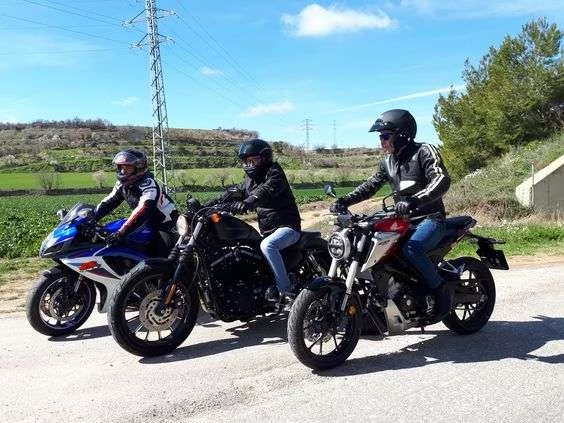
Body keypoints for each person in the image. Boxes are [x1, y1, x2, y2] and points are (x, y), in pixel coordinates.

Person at [329, 109, 452, 318]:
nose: (382, 142)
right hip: (402, 221)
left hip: (429, 218)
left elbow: (441, 179)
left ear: (402, 134)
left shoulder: (424, 151)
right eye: (380, 137)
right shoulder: (387, 161)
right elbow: (371, 185)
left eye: (386, 136)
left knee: (412, 248)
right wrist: (344, 200)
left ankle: (440, 290)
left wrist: (415, 200)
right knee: (376, 249)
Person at [228, 138, 302, 308]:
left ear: (264, 158)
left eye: (253, 160)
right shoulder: (249, 180)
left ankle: (286, 293)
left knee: (268, 246)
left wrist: (249, 201)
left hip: (288, 227)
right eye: (246, 161)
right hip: (268, 230)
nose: (249, 165)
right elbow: (232, 193)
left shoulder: (274, 173)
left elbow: (266, 190)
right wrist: (208, 204)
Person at [94, 148, 178, 254]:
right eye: (121, 167)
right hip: (146, 222)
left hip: (165, 224)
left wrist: (121, 232)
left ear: (139, 168)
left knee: (162, 256)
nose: (123, 171)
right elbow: (110, 201)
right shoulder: (122, 184)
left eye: (128, 168)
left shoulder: (148, 184)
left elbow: (143, 209)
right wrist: (92, 216)